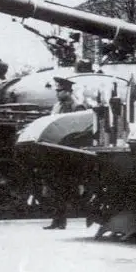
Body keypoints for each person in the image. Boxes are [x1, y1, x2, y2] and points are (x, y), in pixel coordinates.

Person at [43, 77, 86, 230]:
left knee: (66, 186)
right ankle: (57, 220)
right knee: (55, 186)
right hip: (56, 149)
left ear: (68, 91)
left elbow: (81, 130)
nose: (57, 93)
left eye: (60, 91)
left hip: (69, 152)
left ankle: (64, 218)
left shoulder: (77, 106)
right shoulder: (57, 106)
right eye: (57, 91)